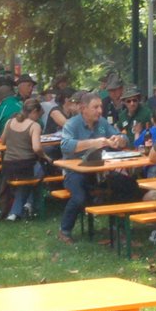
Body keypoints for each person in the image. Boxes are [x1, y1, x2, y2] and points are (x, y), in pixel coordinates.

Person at [56, 92, 130, 243]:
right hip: (75, 171)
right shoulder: (72, 124)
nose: (100, 111)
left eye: (100, 107)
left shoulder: (102, 124)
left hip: (99, 171)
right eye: (95, 107)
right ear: (83, 108)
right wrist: (93, 143)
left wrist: (119, 140)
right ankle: (65, 230)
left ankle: (118, 228)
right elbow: (65, 146)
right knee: (79, 197)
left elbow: (123, 137)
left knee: (123, 184)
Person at [1, 98, 48, 221]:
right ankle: (31, 205)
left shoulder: (9, 122)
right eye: (38, 114)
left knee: (30, 178)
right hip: (25, 166)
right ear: (33, 112)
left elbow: (2, 141)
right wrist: (46, 157)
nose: (38, 117)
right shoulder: (34, 126)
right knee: (40, 171)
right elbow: (37, 148)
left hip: (8, 167)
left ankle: (21, 209)